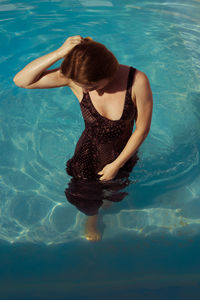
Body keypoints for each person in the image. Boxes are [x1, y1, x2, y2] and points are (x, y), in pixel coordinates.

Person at [13, 35, 153, 241]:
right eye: (82, 86)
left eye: (91, 86)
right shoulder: (76, 79)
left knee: (114, 194)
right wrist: (60, 53)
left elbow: (142, 128)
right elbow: (21, 81)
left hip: (123, 154)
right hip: (88, 154)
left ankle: (104, 208)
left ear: (108, 74)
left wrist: (117, 164)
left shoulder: (137, 81)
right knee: (84, 197)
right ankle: (92, 219)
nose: (85, 90)